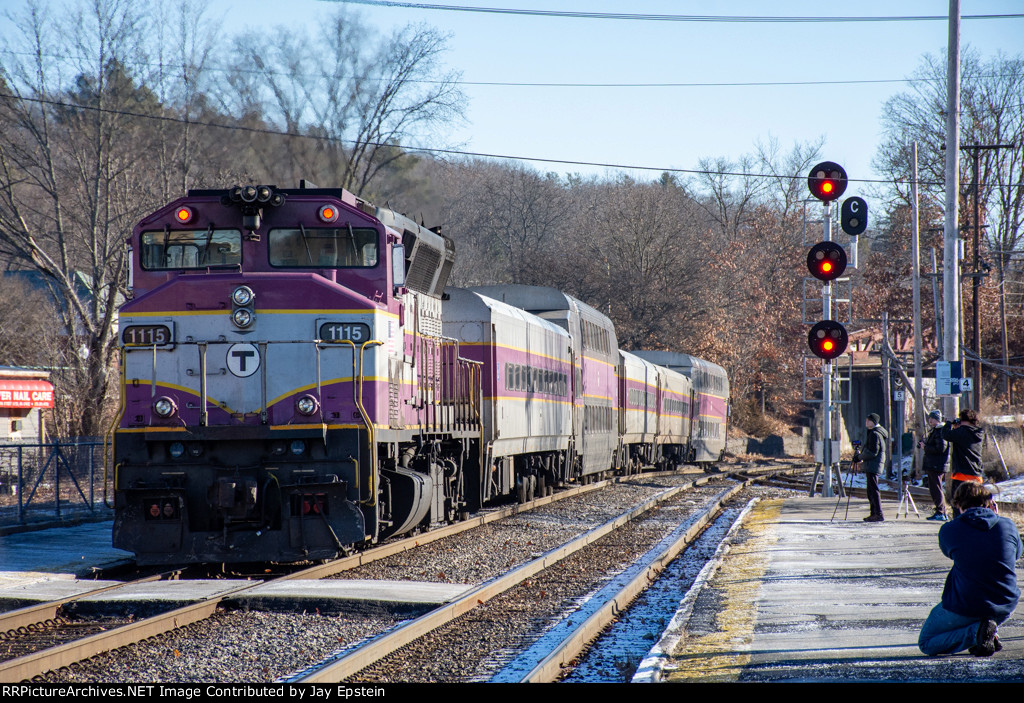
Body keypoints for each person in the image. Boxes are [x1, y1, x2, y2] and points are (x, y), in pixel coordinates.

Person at [918, 482, 1022, 657]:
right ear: (989, 502)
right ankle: (987, 634)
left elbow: (949, 552)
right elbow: (1016, 554)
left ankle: (976, 633)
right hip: (1004, 604)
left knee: (926, 642)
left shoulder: (949, 530)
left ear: (958, 504)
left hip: (966, 604)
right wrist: (997, 519)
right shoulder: (1008, 525)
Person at [942, 408, 984, 516]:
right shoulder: (978, 433)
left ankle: (960, 528)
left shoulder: (961, 432)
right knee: (975, 506)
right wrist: (957, 429)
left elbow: (945, 434)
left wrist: (948, 422)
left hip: (962, 476)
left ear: (962, 419)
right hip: (976, 475)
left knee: (959, 506)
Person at [854, 413, 888, 522]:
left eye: (868, 420)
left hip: (873, 465)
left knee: (873, 490)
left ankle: (878, 513)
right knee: (871, 490)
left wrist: (859, 456)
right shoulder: (876, 433)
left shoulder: (874, 434)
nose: (866, 422)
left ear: (873, 422)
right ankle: (874, 513)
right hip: (874, 464)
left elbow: (873, 452)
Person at [919, 410, 949, 521]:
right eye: (929, 418)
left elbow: (940, 448)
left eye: (932, 418)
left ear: (937, 418)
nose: (930, 420)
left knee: (936, 488)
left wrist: (925, 447)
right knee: (935, 488)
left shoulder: (940, 431)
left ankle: (940, 511)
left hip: (937, 464)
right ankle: (940, 511)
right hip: (934, 464)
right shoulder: (937, 430)